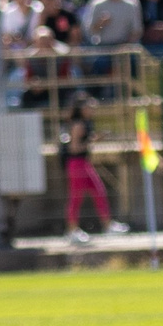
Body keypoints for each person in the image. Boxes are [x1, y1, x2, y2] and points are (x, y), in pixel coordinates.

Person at [60, 95, 127, 244]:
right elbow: (74, 148)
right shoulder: (78, 125)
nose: (92, 110)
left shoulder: (85, 123)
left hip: (83, 163)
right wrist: (92, 141)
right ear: (82, 109)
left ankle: (108, 225)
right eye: (89, 107)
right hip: (77, 164)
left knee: (99, 191)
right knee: (76, 197)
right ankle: (71, 230)